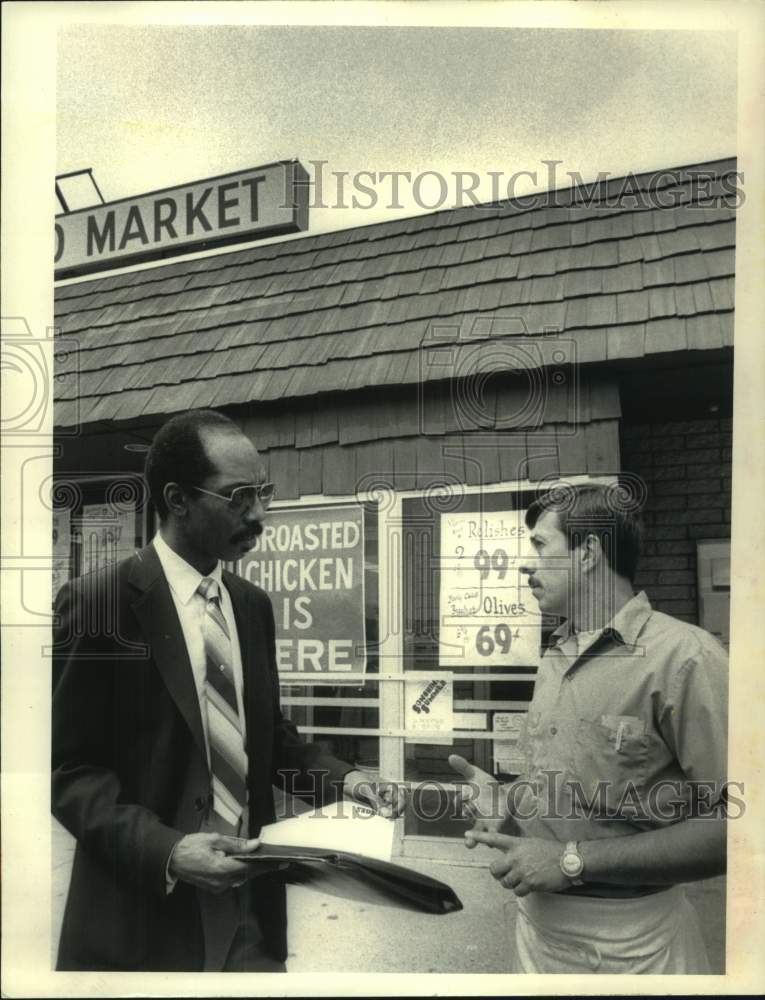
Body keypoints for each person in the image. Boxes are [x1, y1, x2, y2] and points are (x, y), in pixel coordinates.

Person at [52, 409, 404, 972]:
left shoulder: (251, 606)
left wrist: (349, 781)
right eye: (238, 496)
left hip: (250, 919)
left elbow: (268, 742)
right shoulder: (99, 604)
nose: (259, 514)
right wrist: (168, 851)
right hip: (144, 917)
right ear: (177, 499)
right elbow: (69, 774)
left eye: (261, 492)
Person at [450, 483, 728, 974]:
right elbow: (582, 795)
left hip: (637, 946)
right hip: (537, 936)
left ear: (588, 553)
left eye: (539, 546)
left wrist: (571, 860)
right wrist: (511, 807)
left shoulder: (688, 658)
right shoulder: (556, 655)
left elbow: (737, 829)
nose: (525, 564)